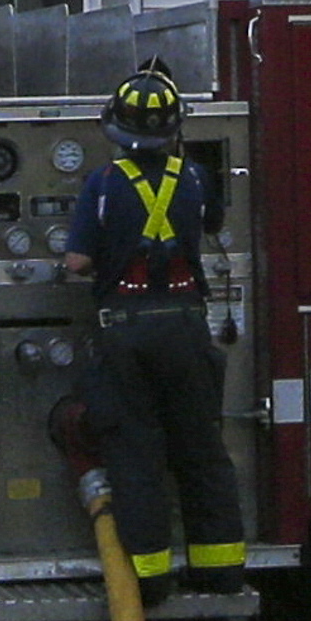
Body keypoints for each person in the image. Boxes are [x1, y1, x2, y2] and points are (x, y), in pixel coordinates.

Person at [60, 63, 247, 593]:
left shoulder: (102, 182)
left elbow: (76, 262)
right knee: (201, 448)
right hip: (187, 327)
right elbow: (211, 224)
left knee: (135, 453)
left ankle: (149, 580)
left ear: (115, 126)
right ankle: (220, 568)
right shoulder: (193, 176)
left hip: (127, 328)